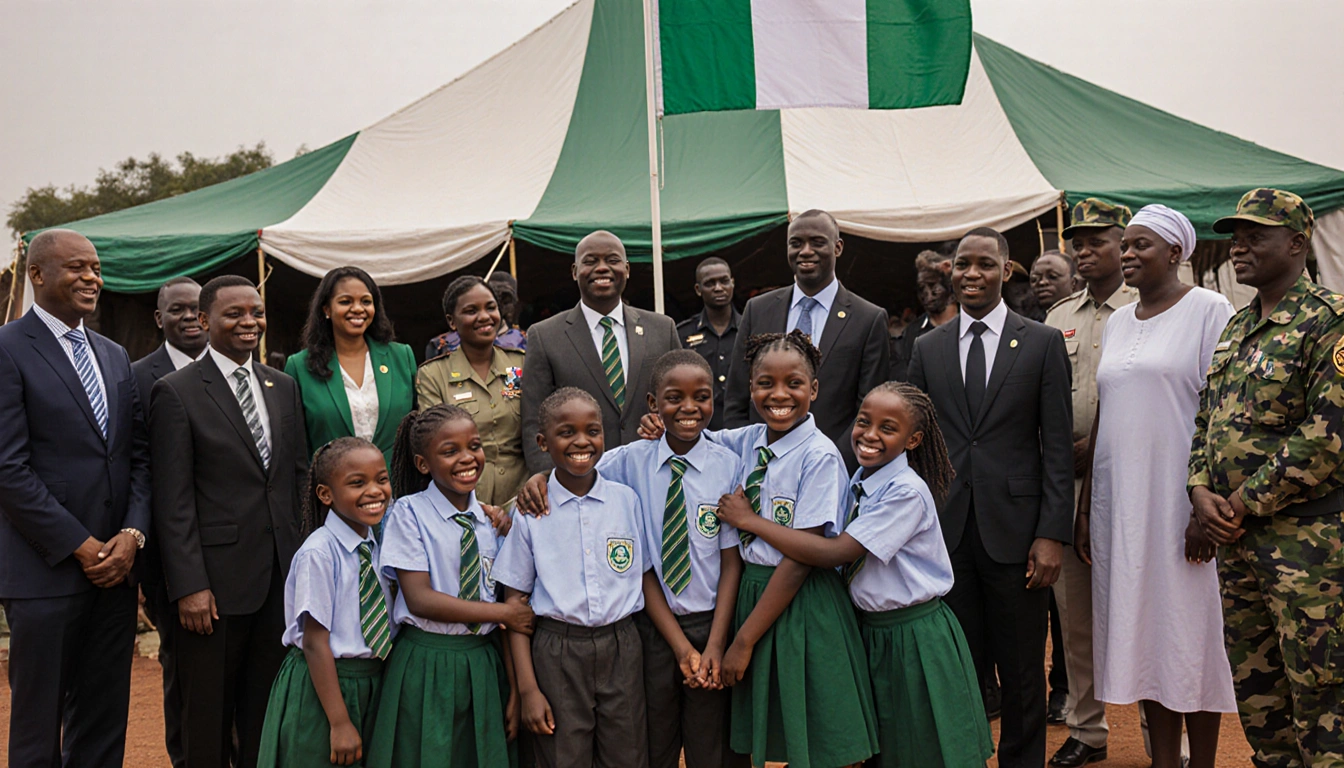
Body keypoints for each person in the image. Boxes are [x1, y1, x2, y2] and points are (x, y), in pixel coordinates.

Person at [715, 381, 994, 768]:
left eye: (888, 428)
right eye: (864, 422)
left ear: (913, 440)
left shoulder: (904, 492)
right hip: (871, 631)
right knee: (884, 748)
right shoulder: (863, 480)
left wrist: (751, 521)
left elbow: (834, 553)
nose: (870, 435)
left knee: (930, 748)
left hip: (914, 636)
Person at [515, 351, 748, 768]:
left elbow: (731, 561)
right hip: (650, 631)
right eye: (674, 397)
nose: (690, 408)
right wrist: (533, 482)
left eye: (703, 397)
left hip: (713, 624)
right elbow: (573, 470)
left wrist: (715, 641)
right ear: (652, 404)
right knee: (650, 743)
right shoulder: (624, 464)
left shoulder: (729, 466)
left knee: (713, 747)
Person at [906, 226, 1074, 768]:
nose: (971, 274)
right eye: (961, 264)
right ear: (949, 272)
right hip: (947, 536)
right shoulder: (926, 348)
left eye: (983, 264)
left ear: (1006, 271)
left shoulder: (1043, 341)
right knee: (961, 668)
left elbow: (1056, 447)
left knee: (1023, 670)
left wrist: (1051, 535)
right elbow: (914, 445)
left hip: (1019, 535)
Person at [1076, 205, 1236, 768]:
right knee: (1144, 635)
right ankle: (1164, 760)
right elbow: (1106, 415)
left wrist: (1205, 508)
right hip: (1121, 505)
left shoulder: (1209, 309)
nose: (1127, 254)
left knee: (1190, 636)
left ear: (1176, 252)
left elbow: (1222, 412)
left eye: (1141, 245)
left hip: (1181, 505)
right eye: (1126, 245)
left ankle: (1204, 761)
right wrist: (1087, 511)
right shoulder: (1119, 321)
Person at [1191, 189, 1344, 768]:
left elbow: (1327, 436)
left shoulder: (1330, 322)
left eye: (1256, 235)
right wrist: (1198, 488)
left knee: (1323, 696)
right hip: (1241, 547)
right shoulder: (1235, 328)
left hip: (1309, 550)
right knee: (1261, 703)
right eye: (1236, 235)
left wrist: (1238, 501)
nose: (1239, 246)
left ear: (1298, 244)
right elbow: (1207, 419)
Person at [0, 229, 150, 767]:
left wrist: (130, 538)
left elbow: (135, 458)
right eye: (76, 268)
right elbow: (8, 470)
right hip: (45, 572)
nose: (92, 277)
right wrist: (81, 546)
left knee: (103, 720)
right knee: (39, 725)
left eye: (96, 267)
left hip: (115, 573)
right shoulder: (7, 348)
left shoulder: (112, 354)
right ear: (37, 275)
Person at [151, 274, 309, 768]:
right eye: (235, 313)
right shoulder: (175, 392)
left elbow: (297, 480)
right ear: (204, 320)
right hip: (214, 591)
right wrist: (190, 585)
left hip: (278, 580)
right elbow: (172, 501)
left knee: (266, 713)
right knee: (207, 720)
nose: (249, 322)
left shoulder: (282, 385)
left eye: (256, 313)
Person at [704, 331, 880, 768]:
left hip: (802, 602)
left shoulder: (819, 457)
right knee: (769, 724)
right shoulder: (747, 440)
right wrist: (659, 427)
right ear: (750, 387)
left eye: (794, 383)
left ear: (814, 389)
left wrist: (742, 640)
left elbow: (804, 557)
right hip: (753, 592)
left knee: (819, 732)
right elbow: (697, 439)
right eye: (765, 383)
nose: (778, 394)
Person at [367, 405, 533, 768]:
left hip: (484, 662)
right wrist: (504, 612)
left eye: (474, 446)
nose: (467, 458)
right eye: (450, 451)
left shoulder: (491, 522)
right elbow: (419, 598)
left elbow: (501, 606)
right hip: (427, 662)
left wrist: (517, 689)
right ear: (423, 464)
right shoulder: (408, 513)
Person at [495, 388, 651, 768]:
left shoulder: (626, 500)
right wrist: (529, 688)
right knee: (562, 757)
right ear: (542, 442)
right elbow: (514, 604)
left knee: (627, 755)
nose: (582, 441)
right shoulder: (530, 512)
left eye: (592, 430)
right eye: (566, 432)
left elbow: (644, 576)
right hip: (558, 651)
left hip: (623, 645)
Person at [1043, 198, 1135, 768]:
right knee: (1074, 617)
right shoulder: (1058, 317)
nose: (1084, 250)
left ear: (1125, 243)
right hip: (1071, 483)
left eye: (1097, 239)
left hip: (1134, 482)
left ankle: (1162, 732)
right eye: (1077, 240)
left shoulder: (1152, 306)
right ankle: (1087, 730)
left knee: (1144, 609)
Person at [256, 438, 394, 768]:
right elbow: (316, 643)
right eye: (357, 483)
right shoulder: (318, 553)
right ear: (325, 494)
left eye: (382, 479)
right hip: (324, 688)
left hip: (371, 683)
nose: (374, 491)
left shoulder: (380, 542)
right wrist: (339, 722)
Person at [723, 210, 889, 469]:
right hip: (760, 467)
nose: (806, 251)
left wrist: (830, 462)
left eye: (817, 242)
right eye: (796, 243)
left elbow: (867, 409)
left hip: (832, 468)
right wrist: (751, 459)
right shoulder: (758, 310)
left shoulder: (868, 319)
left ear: (838, 247)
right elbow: (736, 398)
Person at [520, 230, 680, 472]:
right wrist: (546, 477)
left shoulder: (662, 328)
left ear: (627, 269)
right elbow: (534, 420)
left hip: (655, 471)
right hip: (582, 479)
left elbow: (680, 398)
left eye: (612, 260)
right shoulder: (544, 336)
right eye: (590, 261)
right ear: (575, 272)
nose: (603, 268)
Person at [132, 275, 208, 768]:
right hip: (169, 555)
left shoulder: (248, 371)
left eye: (198, 308)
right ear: (159, 319)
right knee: (181, 667)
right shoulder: (135, 376)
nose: (189, 317)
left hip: (240, 548)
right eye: (177, 310)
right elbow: (136, 464)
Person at [285, 266, 416, 472]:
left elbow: (417, 429)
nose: (358, 309)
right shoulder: (300, 367)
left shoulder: (402, 357)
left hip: (398, 492)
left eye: (366, 301)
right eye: (346, 301)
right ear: (326, 309)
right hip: (333, 492)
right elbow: (296, 446)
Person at [415, 276, 528, 506]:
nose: (484, 317)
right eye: (471, 310)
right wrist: (478, 509)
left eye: (491, 307)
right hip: (463, 504)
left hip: (523, 503)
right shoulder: (434, 375)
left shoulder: (519, 366)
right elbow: (437, 447)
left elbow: (536, 431)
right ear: (452, 321)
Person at [677, 257, 740, 430]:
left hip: (743, 426)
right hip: (701, 427)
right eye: (710, 283)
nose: (718, 288)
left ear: (732, 283)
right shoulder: (683, 334)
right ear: (698, 289)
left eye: (724, 281)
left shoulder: (750, 329)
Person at [424, 271, 527, 359]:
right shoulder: (442, 344)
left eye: (507, 299)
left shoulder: (525, 341)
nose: (484, 317)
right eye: (471, 311)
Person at [891, 250, 957, 382]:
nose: (927, 294)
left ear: (949, 288)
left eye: (933, 286)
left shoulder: (972, 325)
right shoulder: (912, 333)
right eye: (921, 288)